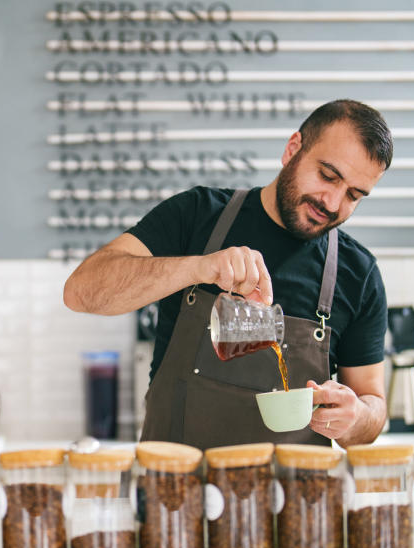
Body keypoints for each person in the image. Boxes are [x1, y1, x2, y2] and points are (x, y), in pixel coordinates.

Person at [63, 99, 392, 450]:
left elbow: (372, 407)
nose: (333, 202)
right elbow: (81, 292)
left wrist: (355, 417)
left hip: (292, 500)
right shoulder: (196, 216)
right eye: (328, 175)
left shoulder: (359, 274)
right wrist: (198, 266)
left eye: (354, 195)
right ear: (293, 148)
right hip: (175, 495)